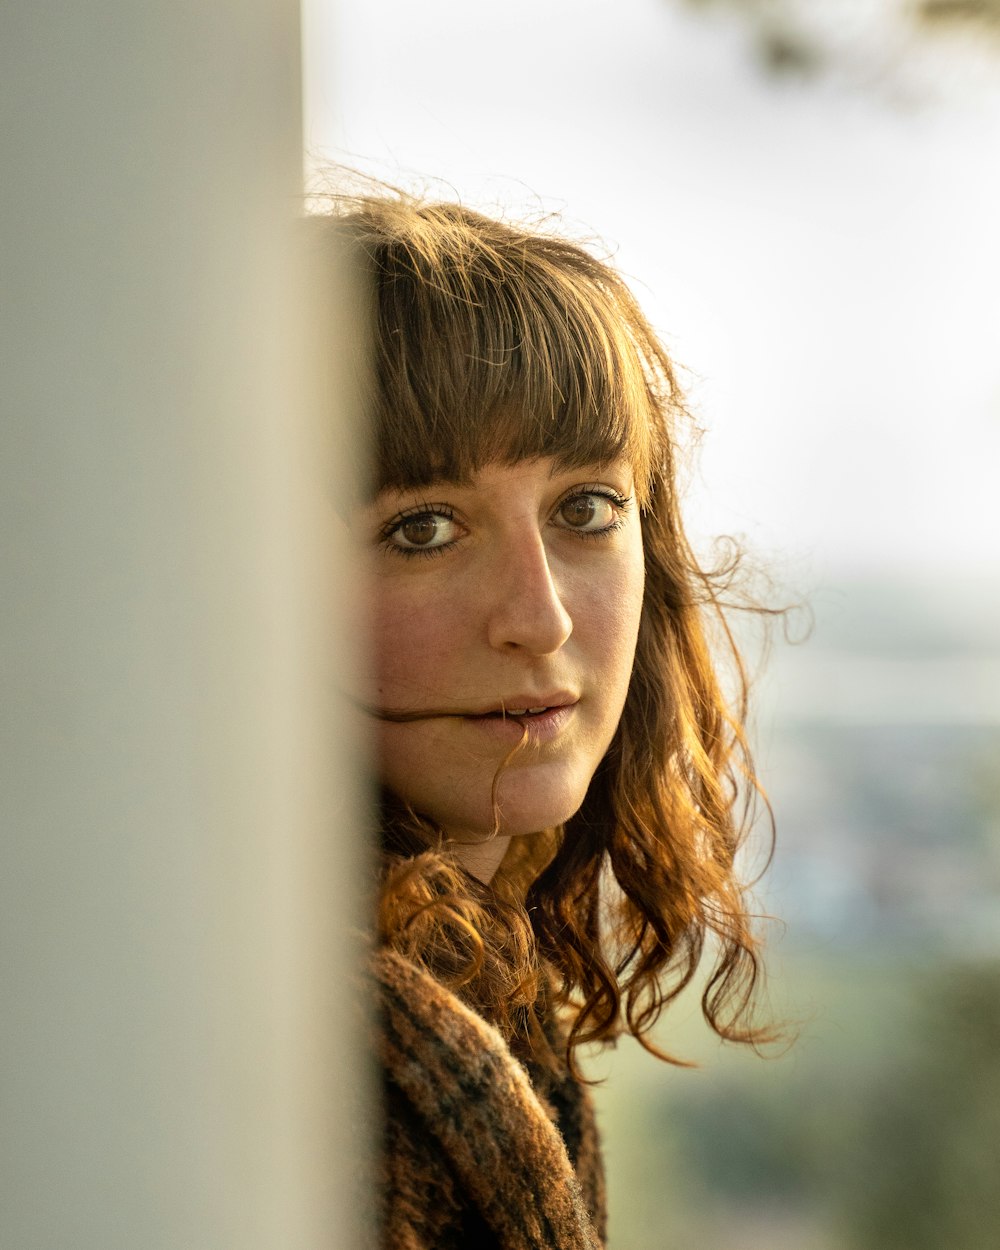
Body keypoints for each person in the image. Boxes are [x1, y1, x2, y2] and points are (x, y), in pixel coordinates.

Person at [335, 192, 773, 1249]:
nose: (540, 617)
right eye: (423, 528)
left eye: (585, 508)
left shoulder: (478, 986)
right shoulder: (328, 1074)